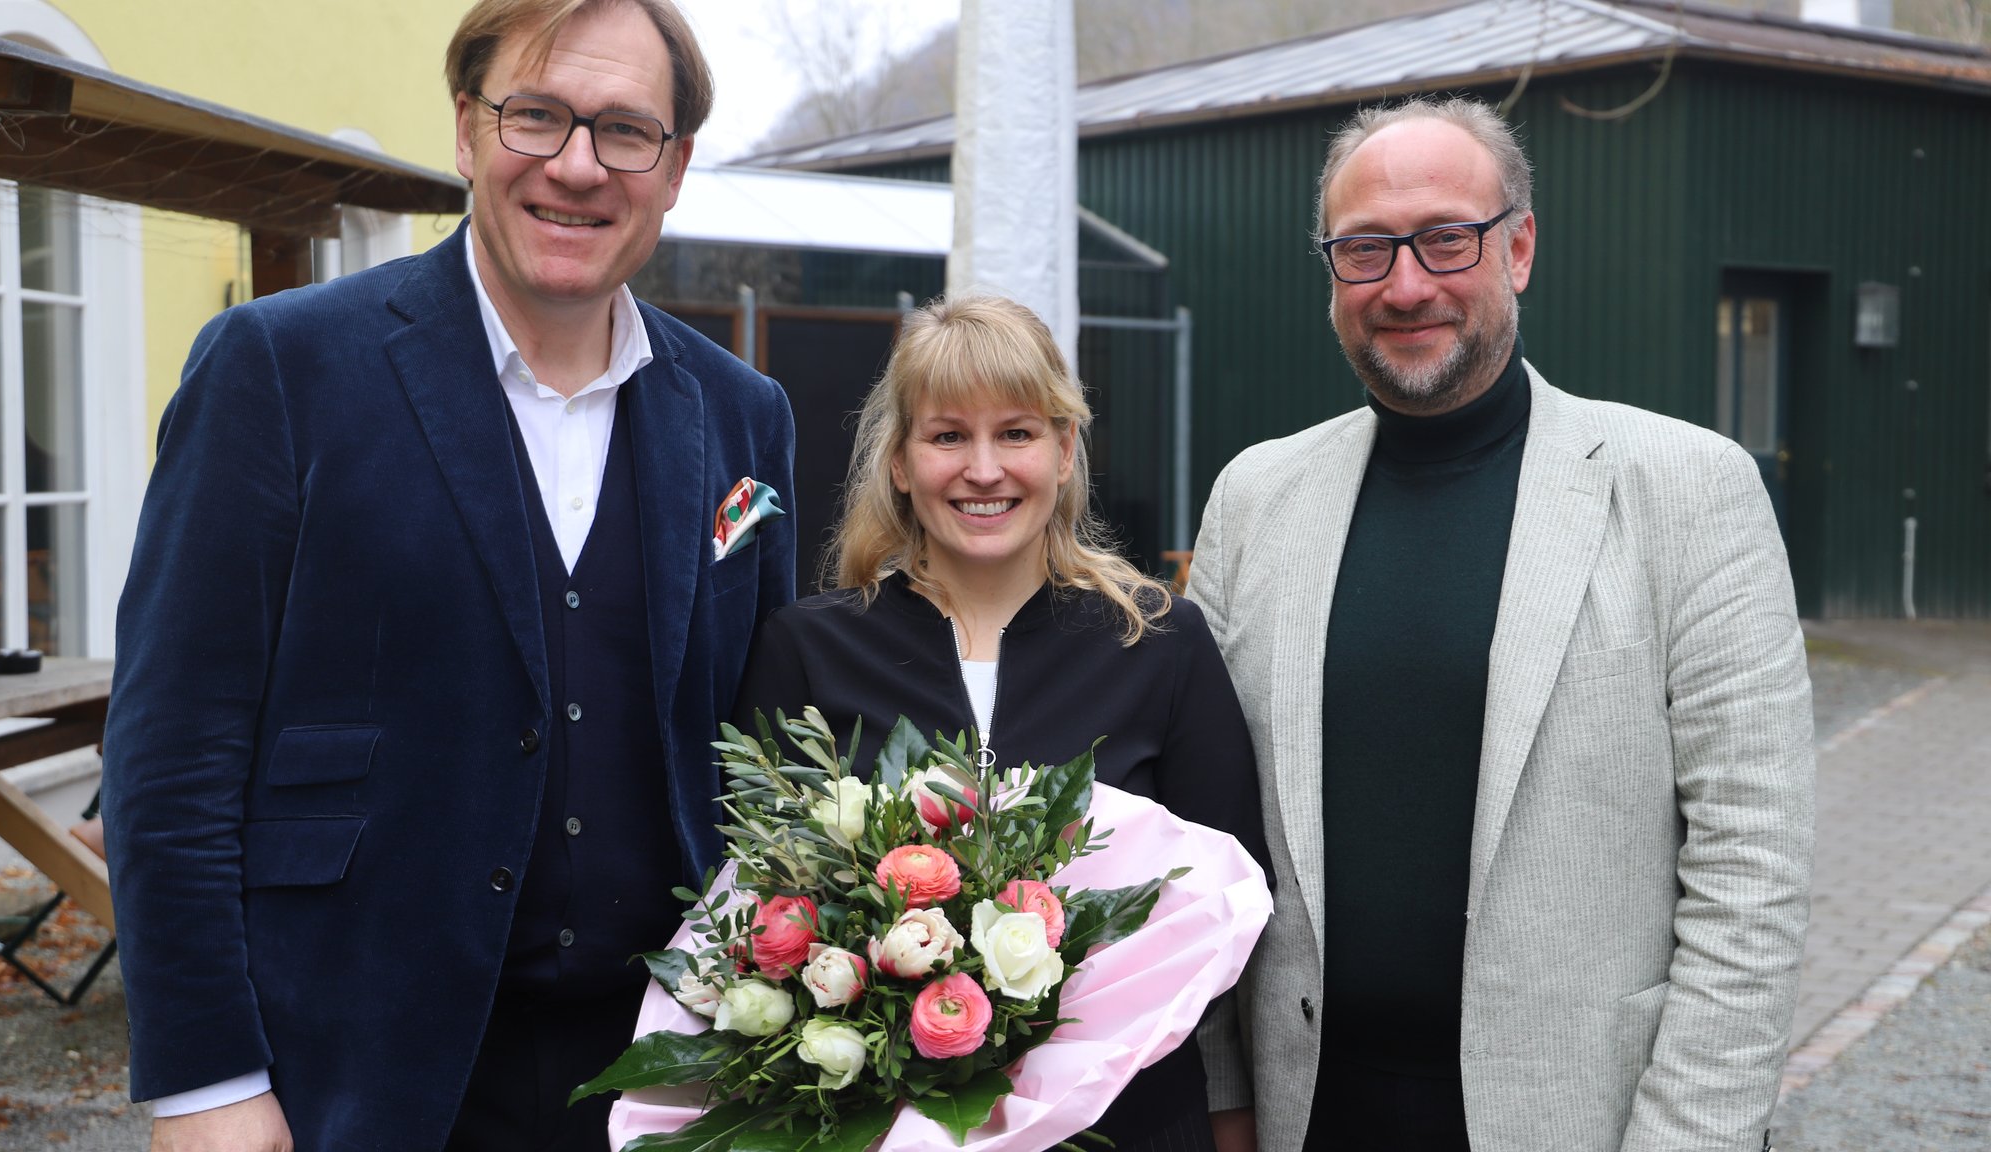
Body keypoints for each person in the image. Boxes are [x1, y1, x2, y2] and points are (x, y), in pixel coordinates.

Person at [99, 1, 795, 1148]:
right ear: (468, 132)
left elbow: (756, 754)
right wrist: (205, 1077)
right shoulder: (278, 368)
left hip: (669, 1071)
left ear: (672, 171)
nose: (576, 165)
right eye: (537, 116)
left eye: (626, 131)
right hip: (361, 1067)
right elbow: (173, 750)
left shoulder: (741, 416)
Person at [1189, 96, 1814, 1152]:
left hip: (1583, 1120)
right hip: (1309, 1115)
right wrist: (1219, 1101)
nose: (1404, 284)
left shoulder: (1685, 492)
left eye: (1444, 239)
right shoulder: (1254, 499)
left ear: (1517, 248)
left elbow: (1750, 872)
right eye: (1363, 250)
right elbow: (1197, 839)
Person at [732, 294, 1269, 1152]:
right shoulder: (810, 650)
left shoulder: (1158, 642)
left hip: (1127, 1122)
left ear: (1063, 450)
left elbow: (1231, 908)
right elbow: (760, 913)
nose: (984, 470)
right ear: (901, 462)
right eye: (948, 436)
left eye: (1015, 433)